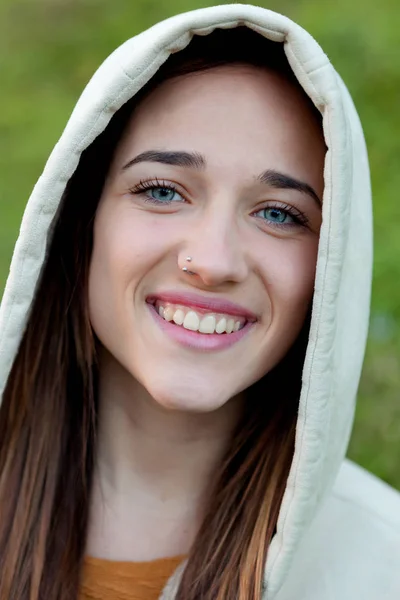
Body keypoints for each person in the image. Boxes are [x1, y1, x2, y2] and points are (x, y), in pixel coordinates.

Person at [0, 4, 399, 600]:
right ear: (80, 222)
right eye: (162, 190)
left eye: (278, 214)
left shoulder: (382, 566)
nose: (213, 262)